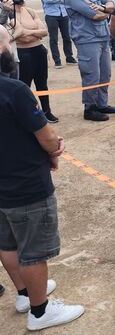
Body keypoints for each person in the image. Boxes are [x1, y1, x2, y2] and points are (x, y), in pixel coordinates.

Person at [0, 35, 85, 331]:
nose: (12, 46)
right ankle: (40, 312)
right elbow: (46, 136)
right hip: (25, 184)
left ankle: (25, 294)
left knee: (7, 242)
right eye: (8, 41)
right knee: (33, 250)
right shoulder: (14, 90)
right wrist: (55, 147)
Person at [63, 0, 115, 122]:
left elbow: (111, 4)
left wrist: (105, 9)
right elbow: (95, 16)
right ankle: (90, 108)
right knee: (91, 75)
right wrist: (107, 11)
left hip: (102, 36)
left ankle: (101, 104)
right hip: (87, 38)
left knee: (105, 73)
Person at [3, 0, 58, 123]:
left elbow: (44, 32)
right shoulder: (10, 15)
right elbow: (21, 35)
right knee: (24, 86)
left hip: (38, 50)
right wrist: (33, 32)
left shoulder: (30, 11)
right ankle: (26, 115)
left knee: (42, 83)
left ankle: (47, 111)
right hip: (23, 53)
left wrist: (27, 32)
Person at [36, 0, 76, 68]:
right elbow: (46, 0)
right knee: (54, 39)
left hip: (63, 13)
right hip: (51, 14)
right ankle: (57, 60)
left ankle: (69, 57)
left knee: (67, 37)